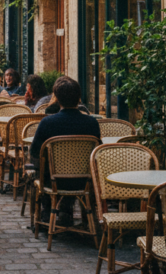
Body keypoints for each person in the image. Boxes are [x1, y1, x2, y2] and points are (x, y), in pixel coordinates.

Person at [28, 77, 101, 223]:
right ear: (79, 98)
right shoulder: (92, 123)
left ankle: (48, 210)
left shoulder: (48, 122)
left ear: (56, 98)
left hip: (54, 181)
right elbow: (98, 153)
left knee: (40, 166)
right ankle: (65, 209)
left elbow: (35, 152)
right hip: (84, 181)